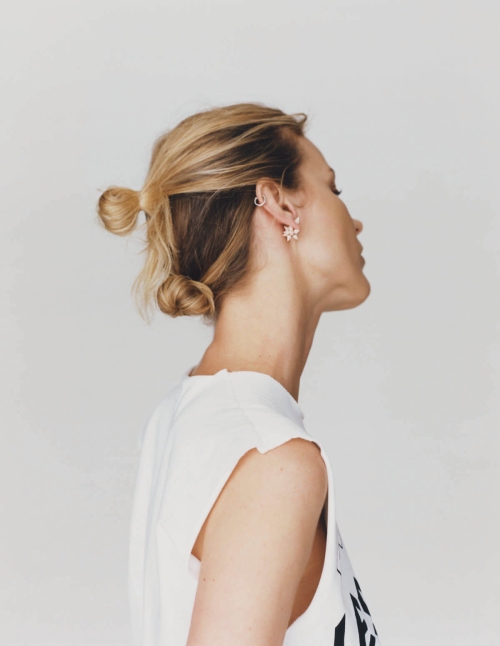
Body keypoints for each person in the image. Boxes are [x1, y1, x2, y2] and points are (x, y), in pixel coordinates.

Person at [97, 103, 381, 646]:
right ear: (279, 203)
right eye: (333, 189)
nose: (355, 220)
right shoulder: (272, 459)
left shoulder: (187, 417)